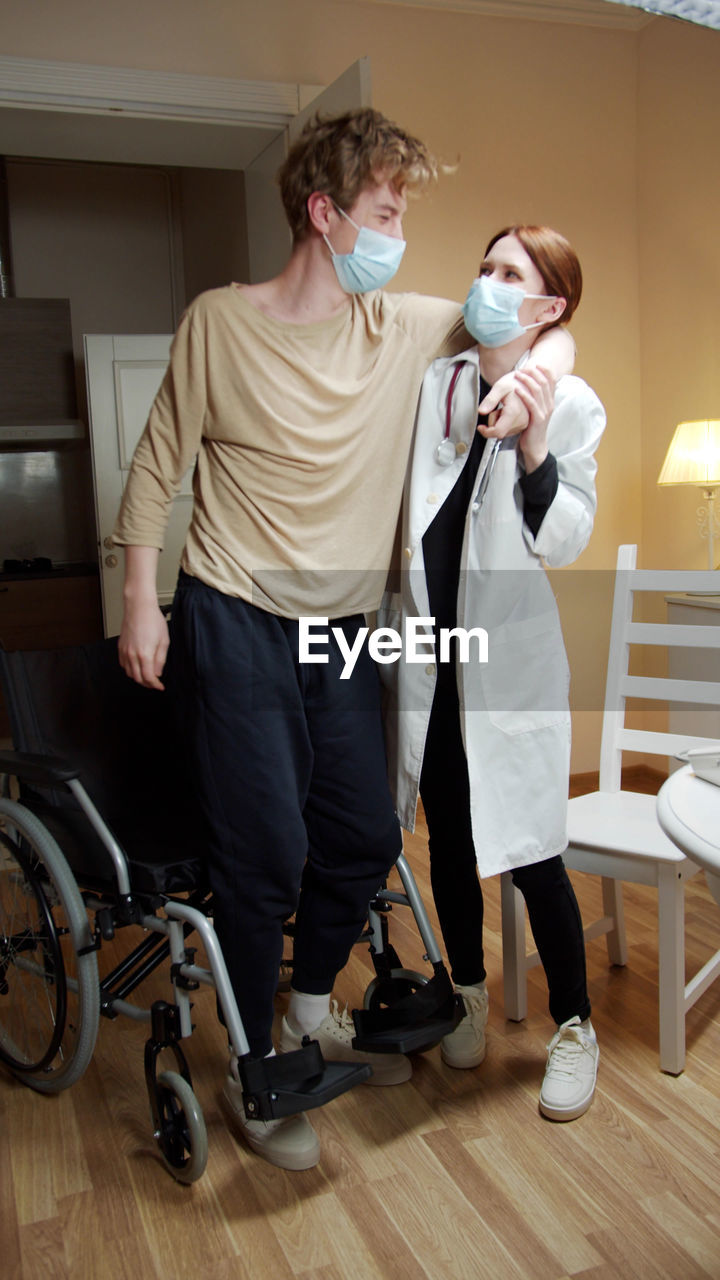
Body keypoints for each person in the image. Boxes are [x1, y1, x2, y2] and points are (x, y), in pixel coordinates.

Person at [112, 109, 576, 1172]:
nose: (399, 232)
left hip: (345, 626)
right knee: (264, 851)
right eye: (384, 212)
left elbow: (538, 323)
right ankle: (250, 1059)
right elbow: (155, 469)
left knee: (368, 832)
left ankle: (313, 1008)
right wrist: (143, 599)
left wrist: (553, 354)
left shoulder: (401, 328)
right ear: (324, 216)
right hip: (233, 614)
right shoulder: (218, 325)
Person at [380, 225, 606, 1122]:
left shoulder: (573, 404)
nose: (485, 282)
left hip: (506, 661)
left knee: (534, 851)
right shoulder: (442, 380)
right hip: (433, 655)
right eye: (484, 266)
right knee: (451, 840)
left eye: (509, 273)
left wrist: (537, 436)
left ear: (548, 304)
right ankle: (469, 990)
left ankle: (574, 1026)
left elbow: (562, 539)